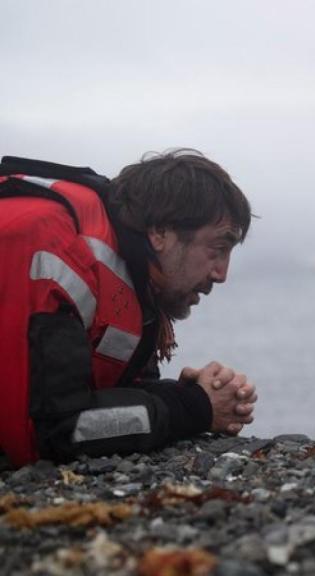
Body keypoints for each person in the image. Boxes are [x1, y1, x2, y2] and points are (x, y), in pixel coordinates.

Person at [0, 150, 258, 468]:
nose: (222, 274)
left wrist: (185, 393)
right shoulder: (52, 246)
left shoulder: (131, 278)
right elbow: (55, 430)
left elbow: (100, 392)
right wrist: (193, 408)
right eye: (218, 249)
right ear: (160, 233)